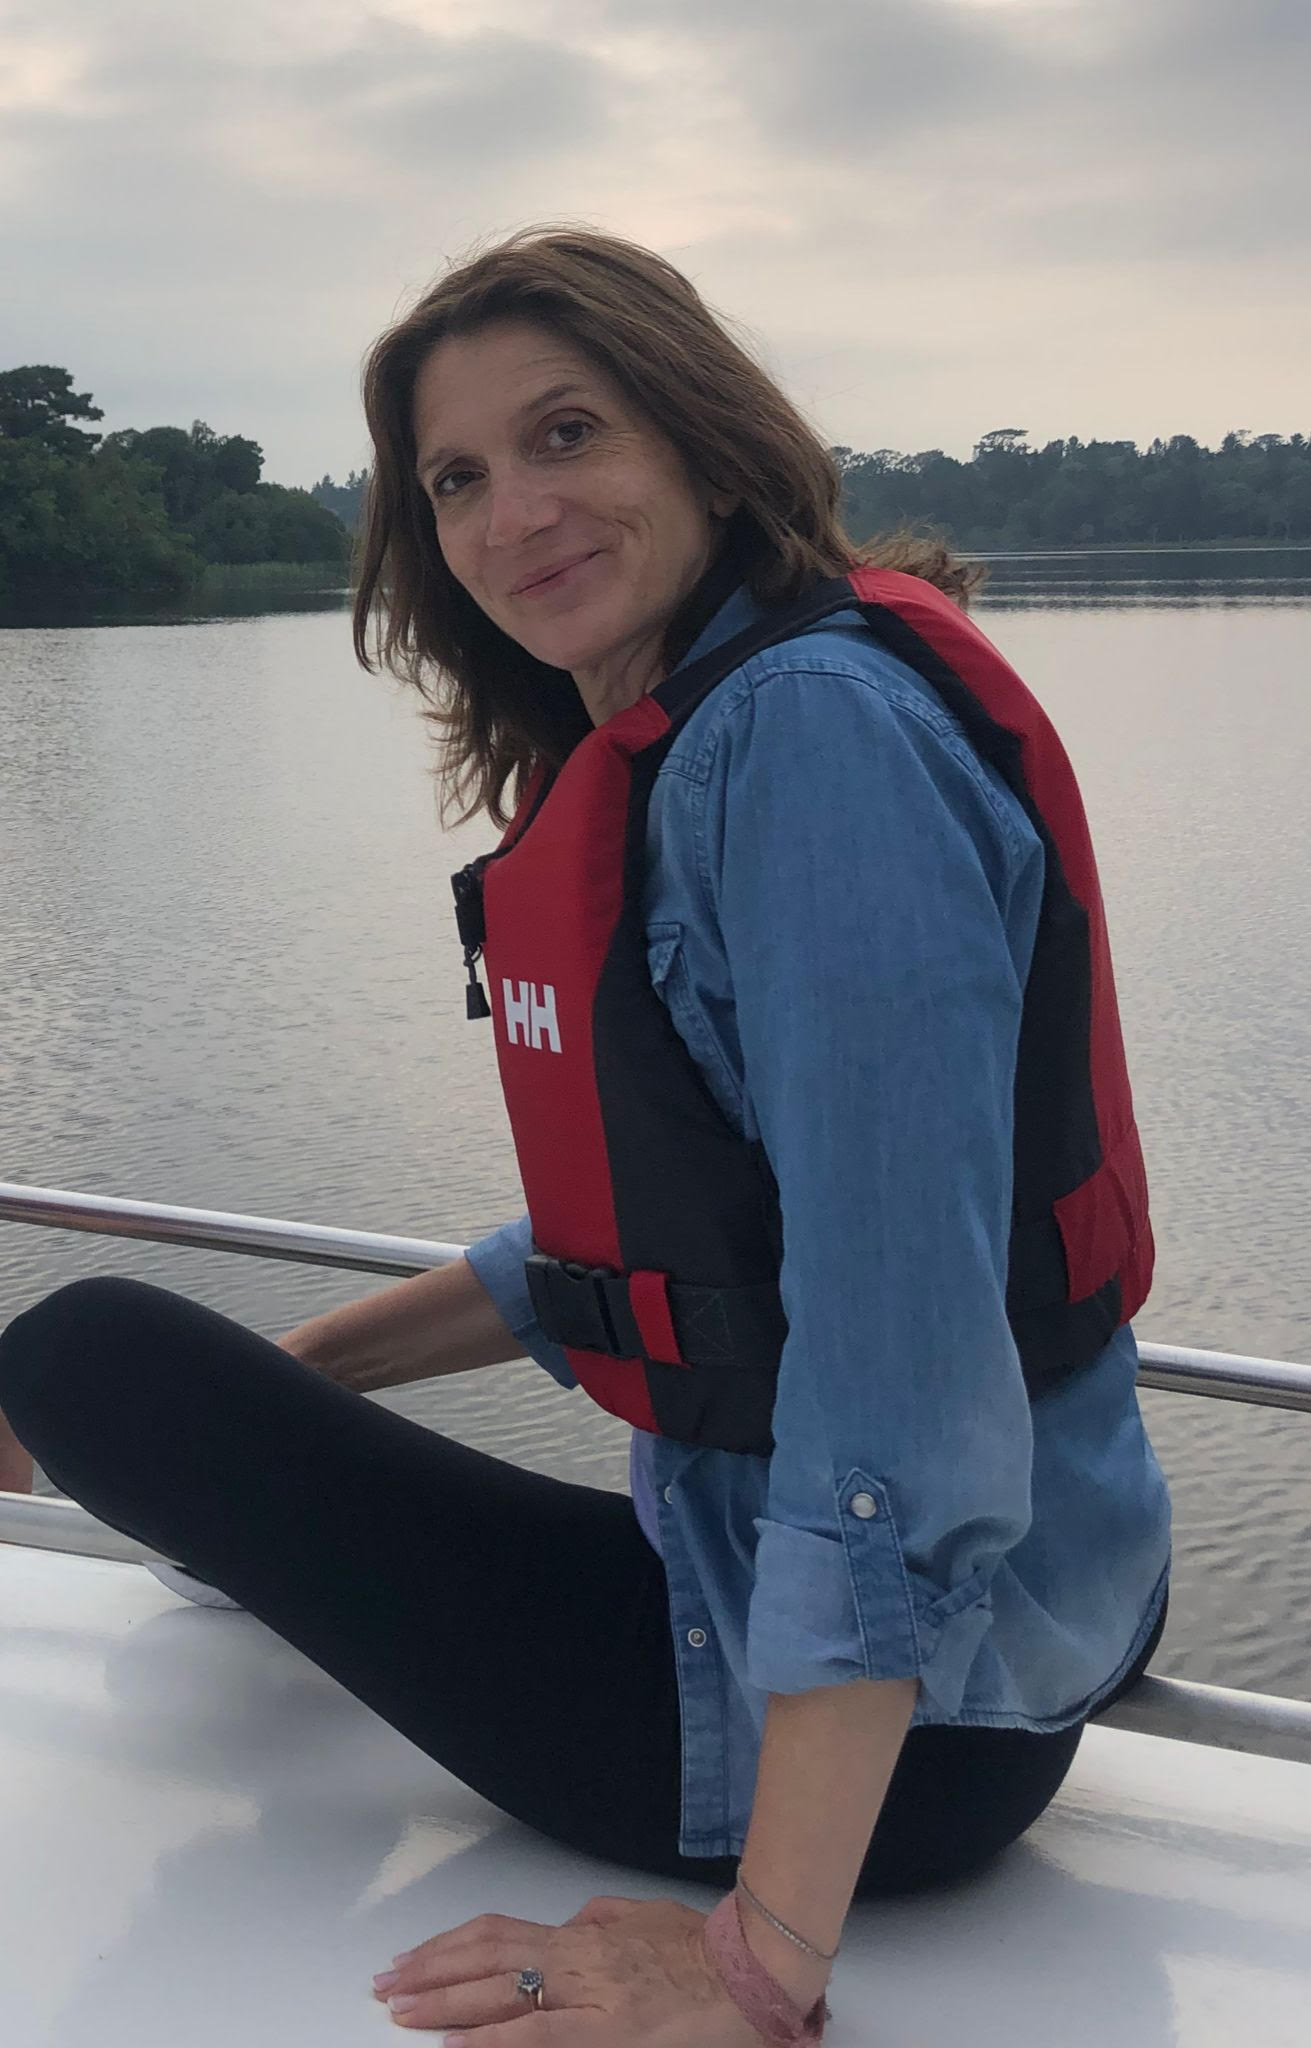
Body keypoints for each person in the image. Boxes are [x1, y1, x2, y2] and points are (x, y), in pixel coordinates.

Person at [0, 226, 1171, 2045]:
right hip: (955, 1653)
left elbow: (900, 1371)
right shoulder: (736, 707)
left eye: (567, 433)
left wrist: (759, 1964)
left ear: (702, 438)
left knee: (84, 1357)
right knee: (155, 1390)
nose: (512, 513)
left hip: (895, 1751)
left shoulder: (806, 744)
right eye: (457, 477)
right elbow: (653, 1254)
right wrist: (284, 1405)